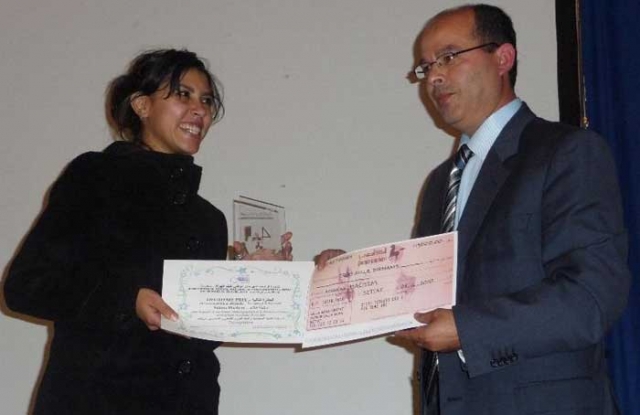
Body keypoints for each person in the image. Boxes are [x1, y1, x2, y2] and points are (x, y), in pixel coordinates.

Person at [317, 4, 630, 415]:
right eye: (426, 67)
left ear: (503, 57)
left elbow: (591, 297)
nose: (434, 77)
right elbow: (424, 296)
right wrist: (349, 280)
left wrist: (467, 329)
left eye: (448, 57)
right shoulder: (440, 182)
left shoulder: (566, 152)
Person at [4, 49, 291, 415]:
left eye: (206, 100)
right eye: (183, 95)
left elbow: (197, 336)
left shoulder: (208, 220)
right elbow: (27, 286)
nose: (200, 110)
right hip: (98, 401)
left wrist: (252, 284)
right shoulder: (96, 176)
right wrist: (128, 299)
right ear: (141, 105)